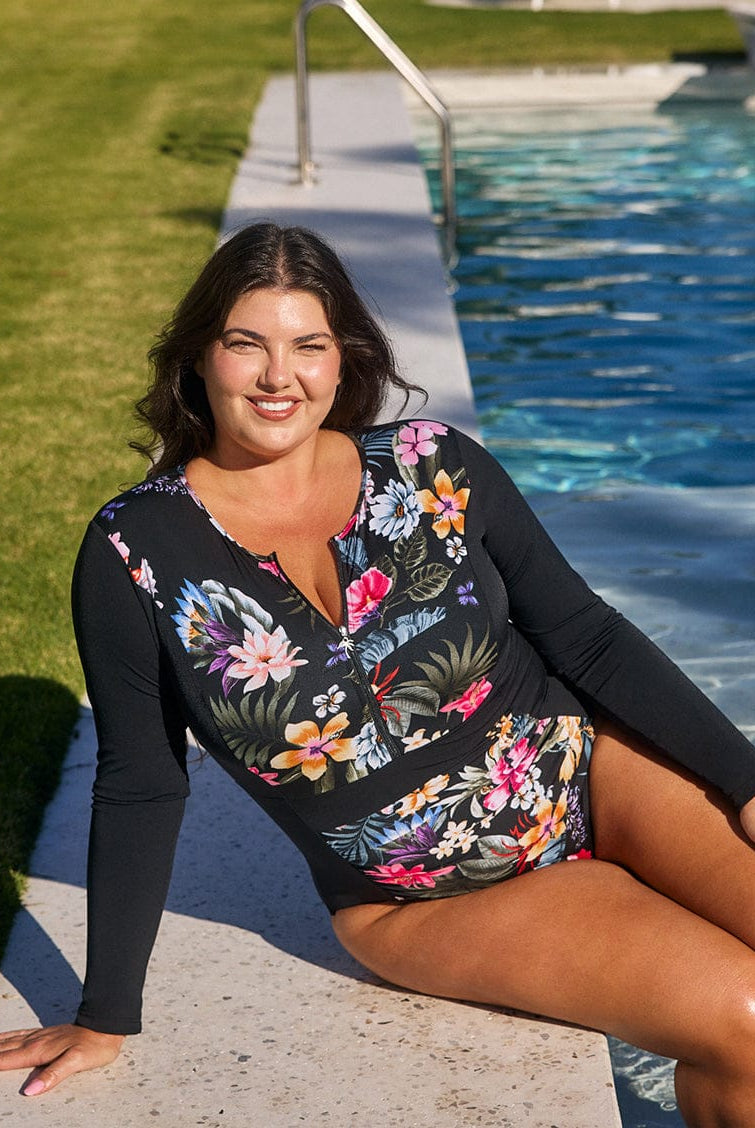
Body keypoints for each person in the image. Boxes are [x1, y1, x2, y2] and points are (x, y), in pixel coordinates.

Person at [1, 222, 754, 1125]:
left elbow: (584, 636)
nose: (280, 376)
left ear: (342, 356)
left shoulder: (431, 464)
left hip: (588, 772)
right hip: (426, 898)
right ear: (198, 358)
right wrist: (104, 1015)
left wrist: (742, 781)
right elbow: (140, 783)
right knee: (743, 1016)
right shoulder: (136, 552)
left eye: (307, 345)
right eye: (248, 344)